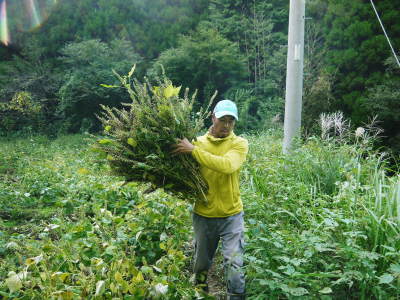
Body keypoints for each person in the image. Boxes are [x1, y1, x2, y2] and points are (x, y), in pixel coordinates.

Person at [172, 100, 248, 300]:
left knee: (234, 263)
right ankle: (200, 295)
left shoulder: (239, 143)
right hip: (204, 215)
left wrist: (194, 152)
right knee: (201, 265)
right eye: (223, 120)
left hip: (232, 215)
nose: (227, 125)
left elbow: (228, 165)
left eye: (231, 121)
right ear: (212, 117)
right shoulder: (195, 142)